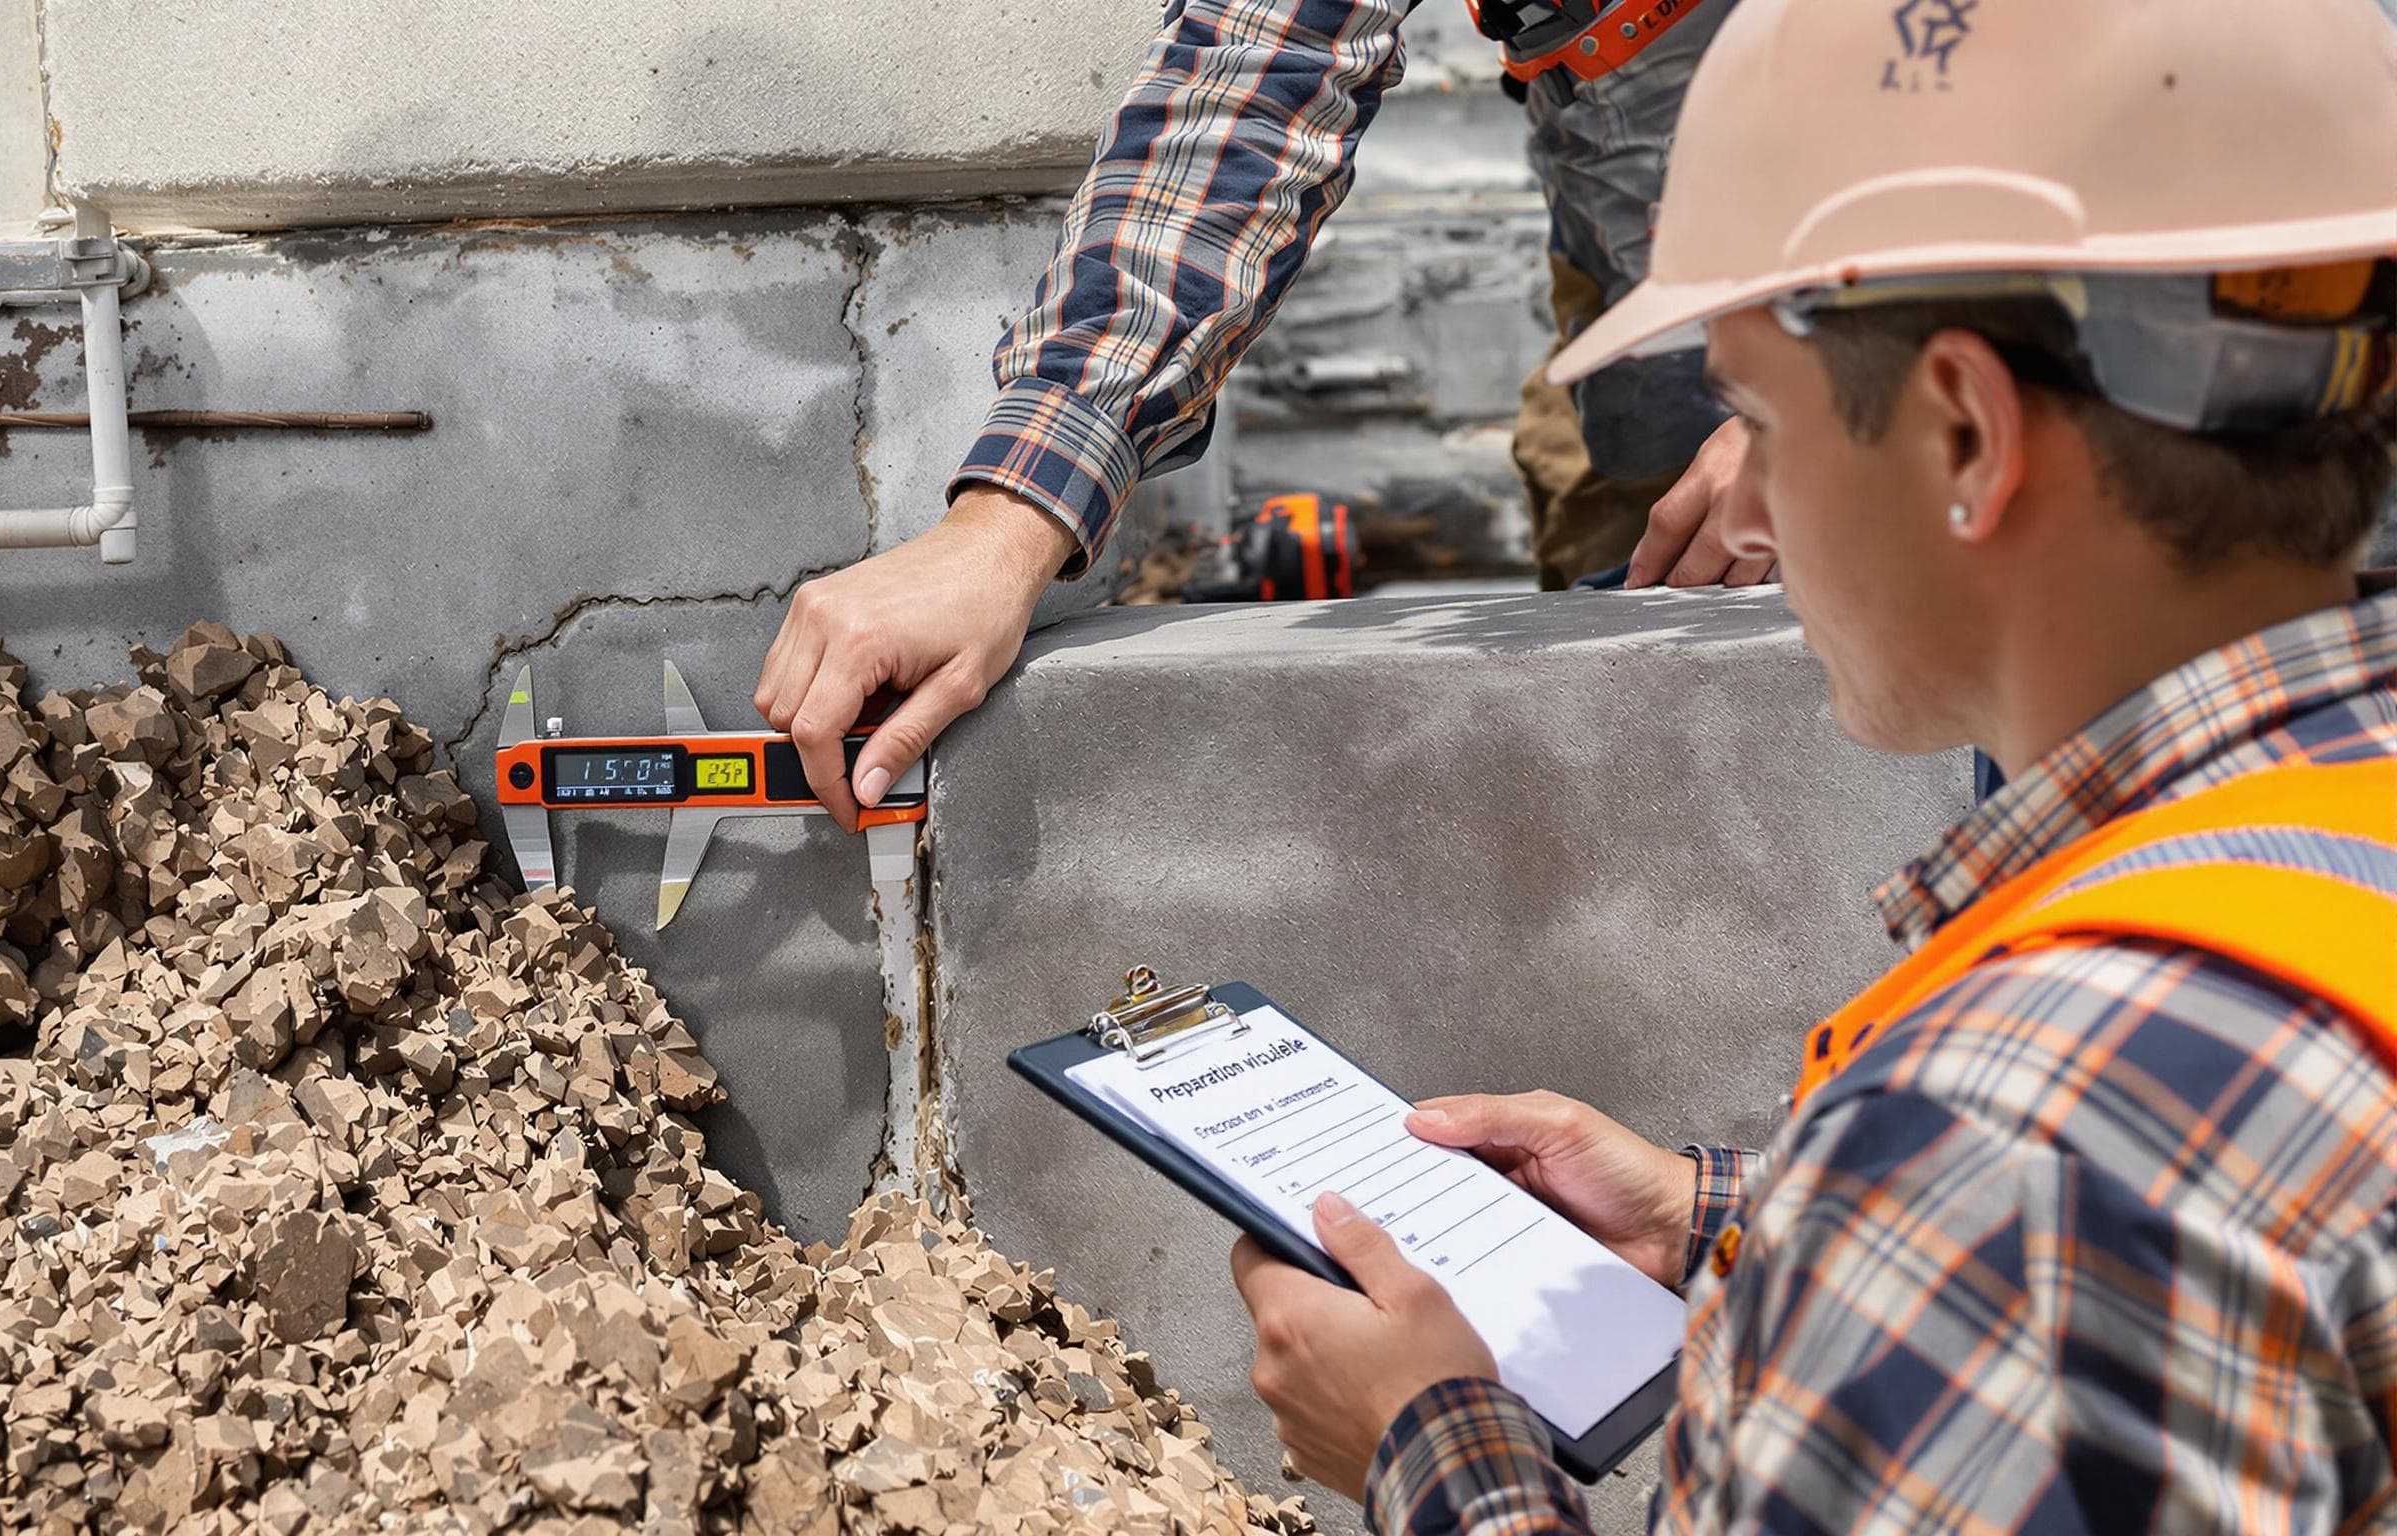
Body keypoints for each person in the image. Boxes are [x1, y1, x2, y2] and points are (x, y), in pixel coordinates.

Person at [1226, 0, 2397, 1529]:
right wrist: (1730, 1219)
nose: (1750, 519)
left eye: (1755, 418)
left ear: (1967, 434)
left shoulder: (2002, 1153)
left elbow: (2039, 1230)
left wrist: (1433, 1446)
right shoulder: (2315, 866)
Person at [757, 0, 1762, 833]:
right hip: (1639, 202)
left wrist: (1863, 383)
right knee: (1641, 693)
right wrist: (1012, 515)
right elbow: (1257, 65)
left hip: (1889, 235)